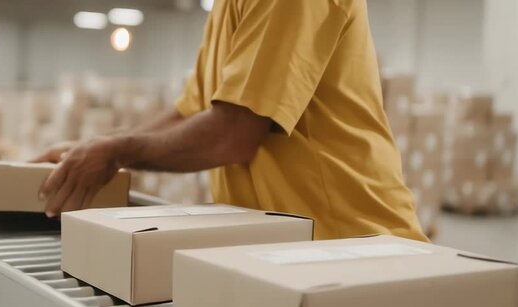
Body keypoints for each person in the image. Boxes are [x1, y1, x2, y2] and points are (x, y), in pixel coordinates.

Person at [33, 0, 428, 241]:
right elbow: (191, 112)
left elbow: (233, 134)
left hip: (351, 242)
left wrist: (115, 151)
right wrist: (93, 150)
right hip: (287, 244)